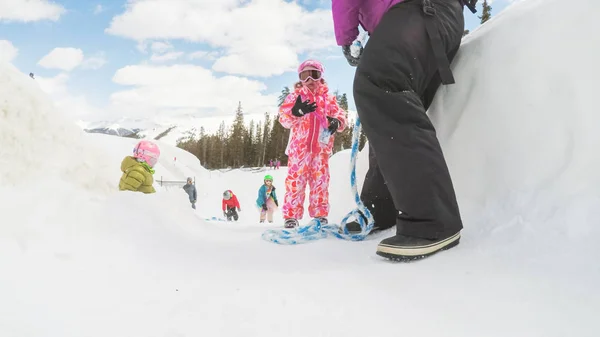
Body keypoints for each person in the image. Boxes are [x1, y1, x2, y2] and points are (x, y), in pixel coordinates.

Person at [332, 0, 476, 261]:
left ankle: (433, 222)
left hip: (419, 12)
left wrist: (346, 38)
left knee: (377, 83)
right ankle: (380, 208)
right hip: (436, 20)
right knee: (389, 108)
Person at [278, 59, 348, 228]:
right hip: (299, 150)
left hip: (321, 151)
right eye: (305, 76)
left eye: (314, 75)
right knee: (295, 182)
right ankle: (291, 217)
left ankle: (320, 216)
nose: (310, 80)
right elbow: (284, 119)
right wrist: (296, 111)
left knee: (320, 183)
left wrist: (337, 122)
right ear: (300, 79)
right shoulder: (295, 97)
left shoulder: (329, 99)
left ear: (321, 77)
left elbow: (341, 116)